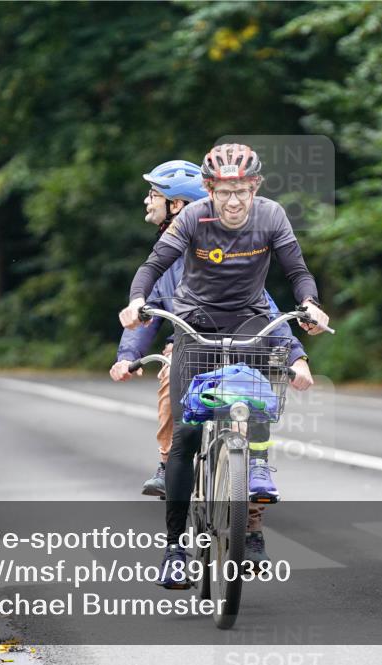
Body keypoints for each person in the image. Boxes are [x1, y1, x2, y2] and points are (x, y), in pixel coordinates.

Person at [120, 143, 329, 588]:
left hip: (251, 321)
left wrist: (309, 307)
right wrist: (136, 302)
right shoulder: (194, 218)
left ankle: (250, 511)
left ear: (255, 187)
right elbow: (153, 266)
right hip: (195, 326)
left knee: (256, 410)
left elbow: (297, 273)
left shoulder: (272, 216)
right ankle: (175, 548)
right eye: (223, 192)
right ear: (209, 190)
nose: (233, 201)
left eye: (242, 191)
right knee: (187, 433)